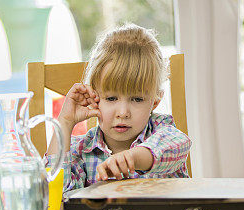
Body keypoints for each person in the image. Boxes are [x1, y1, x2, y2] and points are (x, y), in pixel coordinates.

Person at [44, 23, 191, 193]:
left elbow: (176, 145)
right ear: (93, 96)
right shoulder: (80, 149)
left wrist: (132, 158)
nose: (123, 113)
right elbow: (53, 195)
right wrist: (65, 122)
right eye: (111, 98)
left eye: (137, 99)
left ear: (155, 101)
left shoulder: (163, 132)